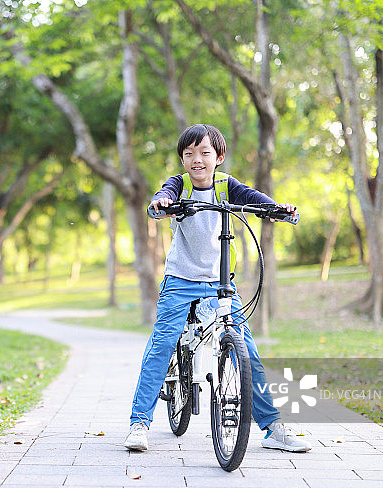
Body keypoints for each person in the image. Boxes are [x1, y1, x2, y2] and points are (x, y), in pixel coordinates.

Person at [124, 123, 311, 453]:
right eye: (189, 154)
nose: (197, 159)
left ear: (219, 157)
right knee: (162, 344)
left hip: (220, 281)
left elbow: (253, 198)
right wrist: (161, 204)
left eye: (204, 153)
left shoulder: (226, 186)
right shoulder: (178, 186)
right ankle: (139, 423)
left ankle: (273, 428)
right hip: (180, 280)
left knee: (246, 350)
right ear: (183, 159)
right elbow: (163, 195)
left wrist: (277, 209)